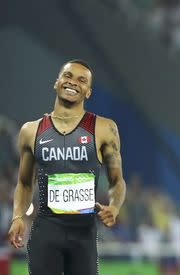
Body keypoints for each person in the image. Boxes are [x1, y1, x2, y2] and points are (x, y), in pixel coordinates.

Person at [7, 59, 127, 275]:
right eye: (68, 76)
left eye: (82, 80)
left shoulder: (104, 129)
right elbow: (24, 183)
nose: (73, 82)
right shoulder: (30, 131)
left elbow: (117, 181)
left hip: (83, 236)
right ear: (57, 82)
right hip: (46, 232)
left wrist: (115, 206)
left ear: (88, 92)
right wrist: (18, 216)